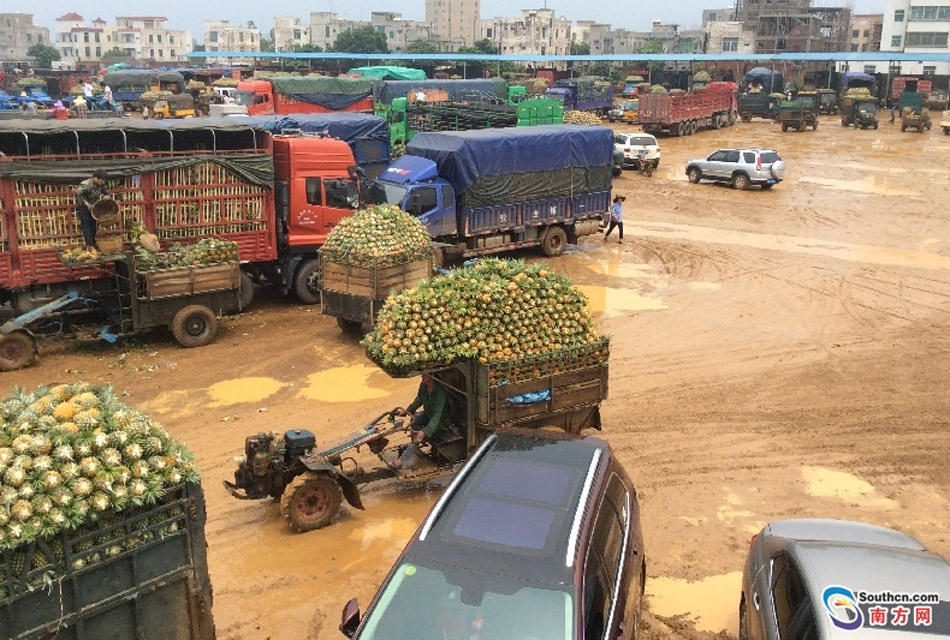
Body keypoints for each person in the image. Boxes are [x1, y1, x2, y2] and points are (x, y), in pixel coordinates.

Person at [392, 374, 456, 470]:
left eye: (424, 376)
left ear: (431, 377)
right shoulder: (423, 386)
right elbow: (418, 400)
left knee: (420, 435)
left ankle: (402, 460)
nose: (422, 377)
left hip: (441, 421)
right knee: (415, 420)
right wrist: (406, 411)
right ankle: (415, 443)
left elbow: (437, 416)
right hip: (429, 414)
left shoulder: (440, 392)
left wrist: (425, 432)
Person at [75, 170, 110, 251]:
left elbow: (106, 192)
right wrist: (87, 204)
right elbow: (78, 194)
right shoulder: (86, 184)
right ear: (96, 178)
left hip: (94, 208)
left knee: (93, 226)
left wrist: (107, 196)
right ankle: (89, 246)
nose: (103, 182)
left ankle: (92, 243)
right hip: (84, 208)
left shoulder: (100, 185)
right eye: (102, 180)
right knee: (86, 226)